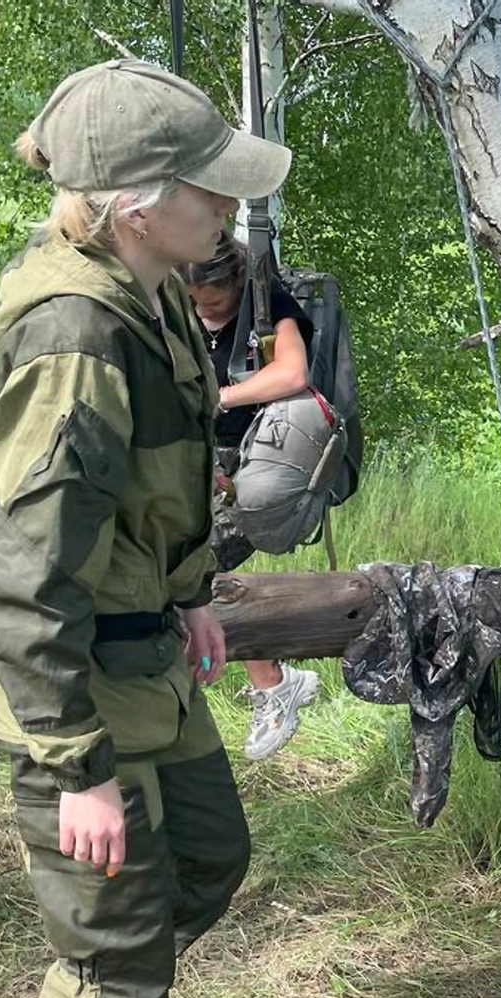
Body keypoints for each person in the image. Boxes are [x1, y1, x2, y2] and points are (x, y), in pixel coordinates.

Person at [0, 59, 291, 998]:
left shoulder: (150, 290)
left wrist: (190, 589)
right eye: (212, 190)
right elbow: (16, 563)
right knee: (119, 930)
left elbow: (158, 481)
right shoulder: (75, 336)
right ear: (142, 202)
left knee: (206, 858)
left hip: (143, 648)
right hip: (78, 685)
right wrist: (77, 767)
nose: (229, 207)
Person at [181, 231, 323, 761]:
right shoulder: (178, 308)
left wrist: (218, 399)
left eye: (212, 301)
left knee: (194, 571)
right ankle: (271, 681)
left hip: (251, 461)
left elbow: (292, 373)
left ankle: (271, 684)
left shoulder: (269, 309)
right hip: (193, 464)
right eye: (194, 301)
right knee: (189, 573)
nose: (203, 309)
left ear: (238, 283)